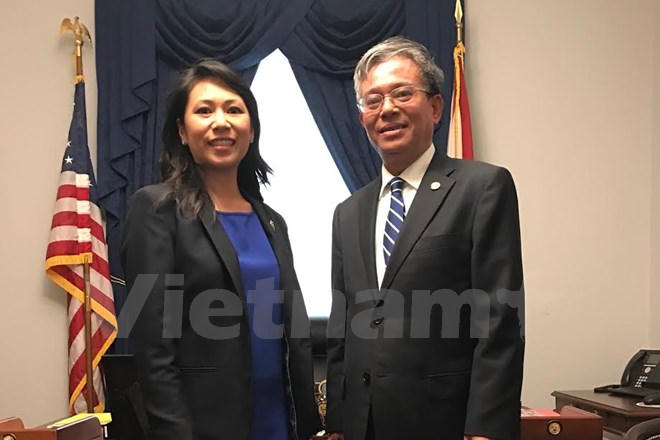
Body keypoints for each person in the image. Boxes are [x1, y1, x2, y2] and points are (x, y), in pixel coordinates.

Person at [325, 37, 524, 440]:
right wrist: (338, 422)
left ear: (435, 108)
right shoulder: (348, 211)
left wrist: (486, 428)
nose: (387, 109)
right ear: (363, 118)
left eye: (402, 94)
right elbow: (342, 325)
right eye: (373, 100)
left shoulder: (482, 188)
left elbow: (499, 322)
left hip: (446, 422)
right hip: (363, 425)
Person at [121, 60, 321, 440]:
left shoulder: (272, 221)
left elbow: (292, 333)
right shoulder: (157, 209)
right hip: (203, 428)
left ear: (251, 129)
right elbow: (153, 349)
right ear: (182, 131)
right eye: (204, 110)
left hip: (280, 422)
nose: (221, 122)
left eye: (233, 109)